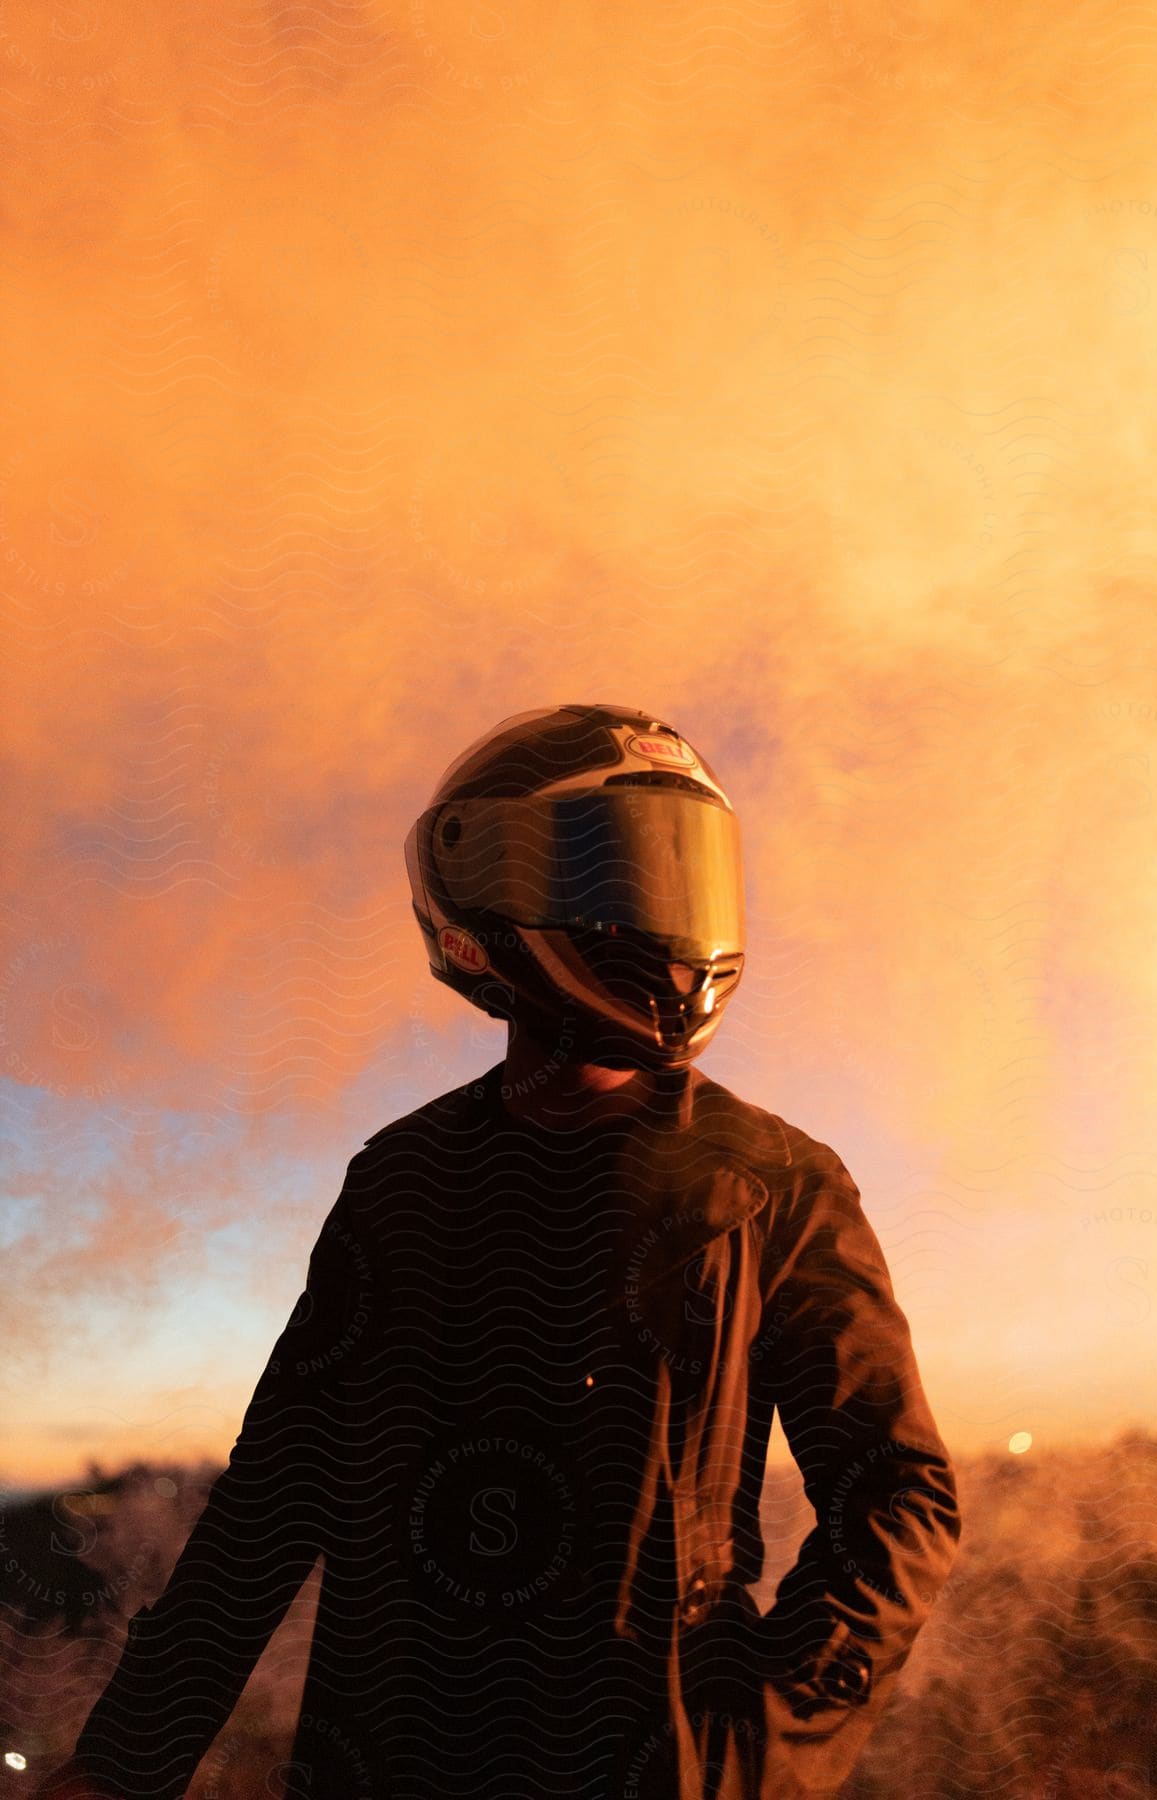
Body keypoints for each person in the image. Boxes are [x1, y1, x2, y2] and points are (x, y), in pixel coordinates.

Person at [38, 703, 961, 1799]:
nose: (662, 918)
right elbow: (271, 1506)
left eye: (679, 873)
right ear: (489, 892)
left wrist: (746, 1751)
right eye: (615, 874)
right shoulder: (401, 1180)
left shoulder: (773, 1183)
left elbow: (898, 1499)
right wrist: (114, 1769)